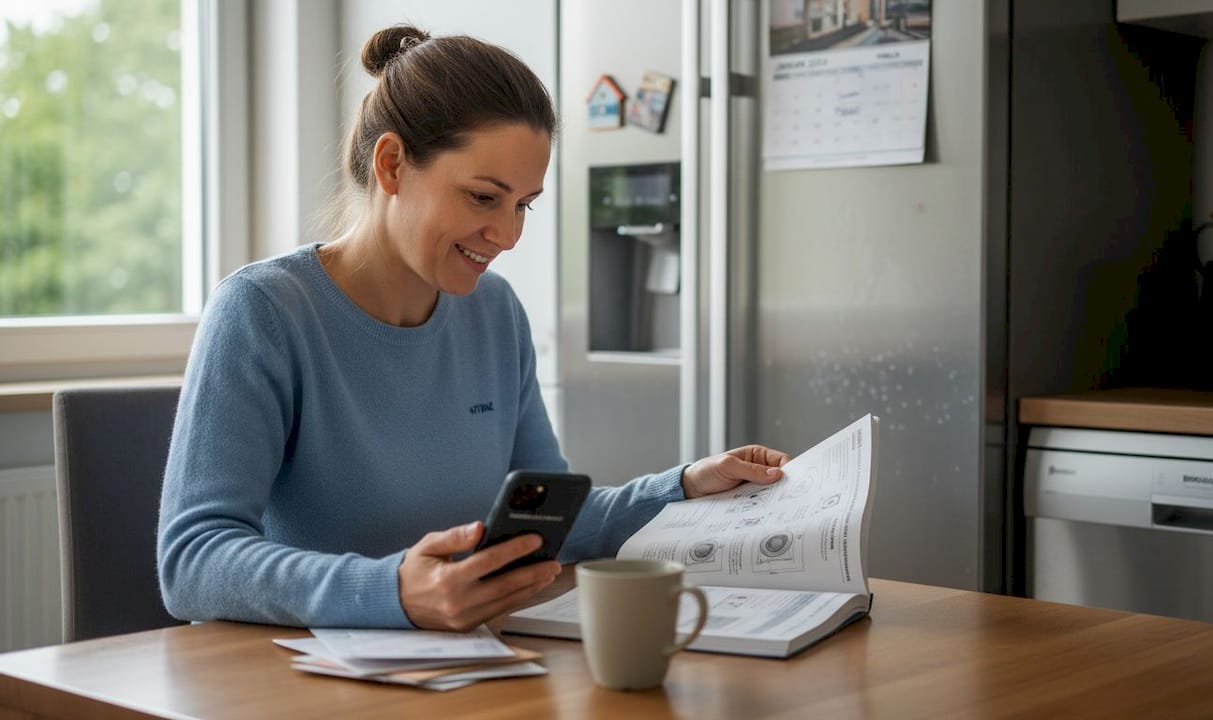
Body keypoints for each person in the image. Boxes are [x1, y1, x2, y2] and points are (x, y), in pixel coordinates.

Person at [157, 23, 789, 633]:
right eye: (484, 198)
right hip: (294, 683)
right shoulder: (264, 312)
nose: (508, 236)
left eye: (523, 205)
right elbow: (193, 561)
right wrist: (396, 592)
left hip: (468, 669)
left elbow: (546, 518)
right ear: (392, 165)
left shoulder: (495, 313)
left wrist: (682, 487)